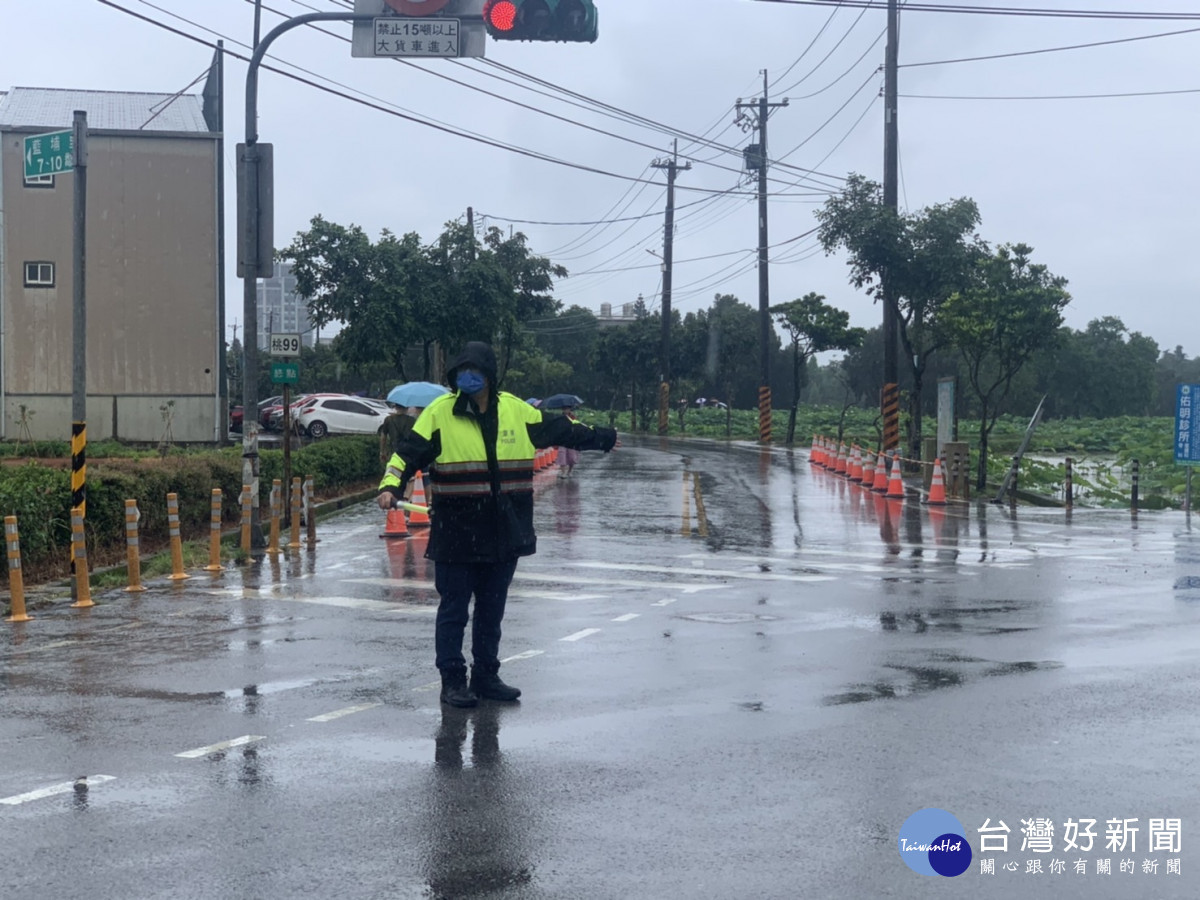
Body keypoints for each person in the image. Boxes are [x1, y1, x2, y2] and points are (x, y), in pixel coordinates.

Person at [377, 341, 619, 708]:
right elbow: (406, 454)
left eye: (474, 371)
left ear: (490, 375)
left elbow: (562, 430)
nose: (467, 378)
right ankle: (453, 680)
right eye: (461, 372)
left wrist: (603, 437)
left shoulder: (516, 411)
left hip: (504, 528)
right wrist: (390, 485)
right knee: (454, 610)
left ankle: (486, 675)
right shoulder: (440, 413)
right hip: (457, 529)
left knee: (492, 610)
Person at [555, 407, 582, 479]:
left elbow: (577, 427)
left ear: (570, 410)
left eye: (567, 409)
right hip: (562, 440)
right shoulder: (560, 418)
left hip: (572, 440)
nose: (565, 410)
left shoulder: (573, 417)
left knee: (572, 457)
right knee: (562, 456)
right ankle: (563, 472)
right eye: (564, 409)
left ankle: (570, 471)